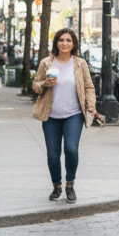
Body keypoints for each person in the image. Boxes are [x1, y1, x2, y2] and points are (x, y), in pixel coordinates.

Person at [31, 29, 99, 203]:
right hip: (51, 115)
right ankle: (56, 185)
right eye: (61, 40)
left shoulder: (80, 64)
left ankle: (70, 184)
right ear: (56, 43)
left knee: (71, 149)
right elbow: (35, 86)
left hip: (73, 114)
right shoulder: (47, 63)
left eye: (68, 40)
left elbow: (89, 87)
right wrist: (45, 83)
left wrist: (91, 106)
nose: (65, 43)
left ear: (73, 43)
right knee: (53, 155)